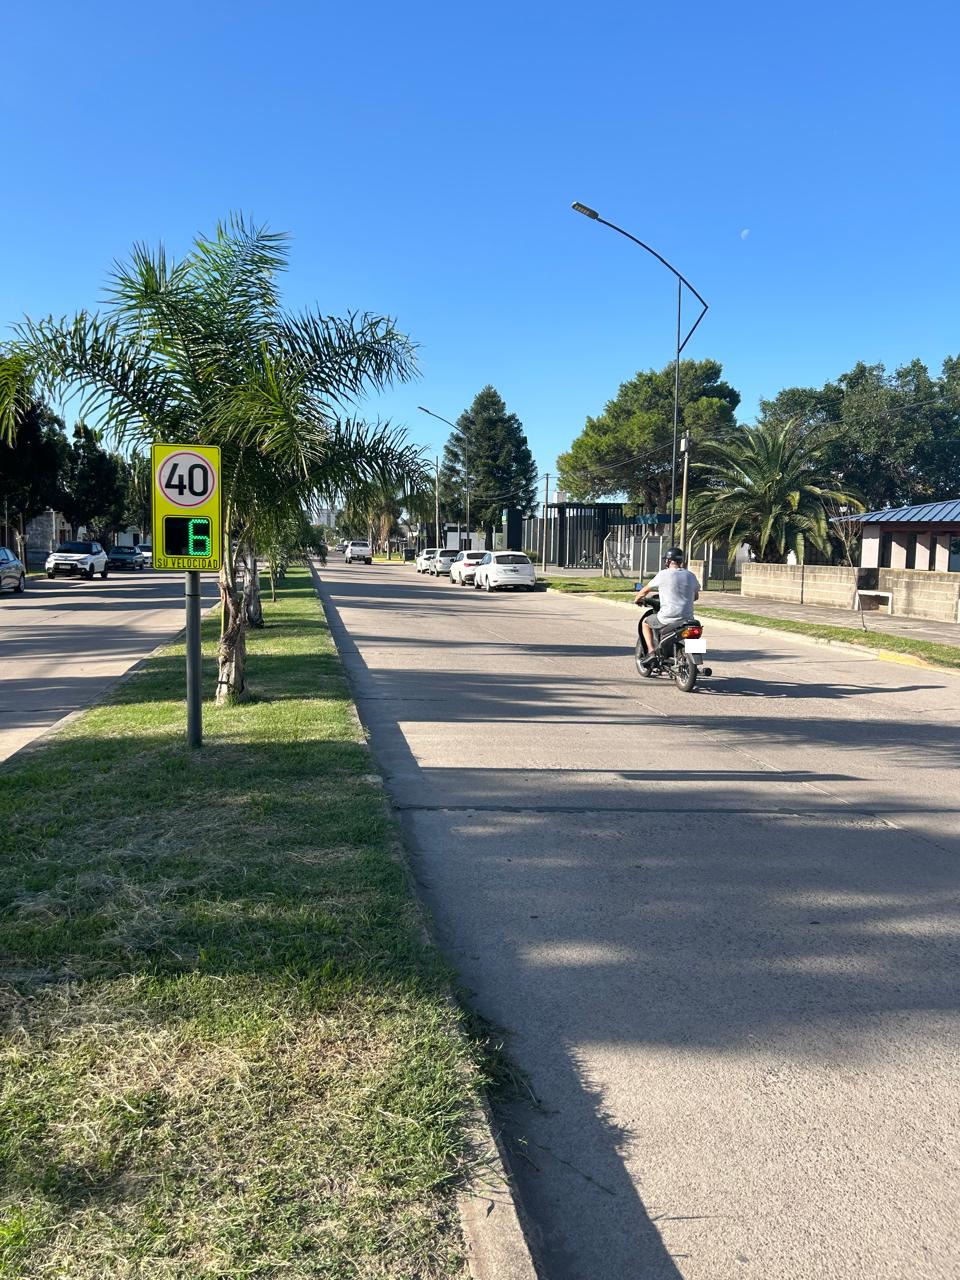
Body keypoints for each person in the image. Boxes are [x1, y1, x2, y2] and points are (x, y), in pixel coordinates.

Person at [634, 548, 700, 665]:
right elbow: (695, 597)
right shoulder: (691, 575)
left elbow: (645, 590)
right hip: (689, 619)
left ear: (668, 561)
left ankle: (651, 652)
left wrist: (637, 599)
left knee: (646, 623)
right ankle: (697, 663)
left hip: (668, 617)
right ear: (681, 561)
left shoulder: (663, 574)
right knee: (694, 635)